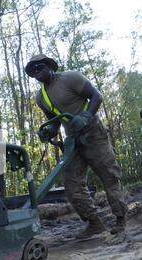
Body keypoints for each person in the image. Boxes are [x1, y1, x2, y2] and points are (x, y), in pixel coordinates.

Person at [25, 53, 129, 239]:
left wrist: (86, 116)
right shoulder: (41, 98)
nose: (37, 72)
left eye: (39, 67)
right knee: (71, 184)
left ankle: (121, 219)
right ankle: (95, 223)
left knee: (109, 175)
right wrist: (49, 131)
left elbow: (96, 96)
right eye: (33, 71)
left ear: (49, 66)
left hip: (93, 133)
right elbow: (54, 121)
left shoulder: (70, 78)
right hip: (72, 140)